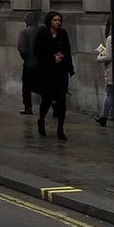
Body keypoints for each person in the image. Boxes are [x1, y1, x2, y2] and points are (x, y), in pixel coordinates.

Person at [33, 11, 75, 140]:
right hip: (47, 72)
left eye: (59, 20)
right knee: (46, 100)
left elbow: (67, 50)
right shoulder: (42, 34)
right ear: (49, 21)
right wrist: (52, 58)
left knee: (61, 101)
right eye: (55, 20)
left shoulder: (63, 34)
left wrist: (69, 66)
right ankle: (41, 120)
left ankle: (60, 128)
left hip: (61, 72)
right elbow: (37, 52)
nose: (58, 22)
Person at [17, 11, 41, 115]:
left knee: (26, 86)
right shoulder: (42, 30)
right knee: (45, 84)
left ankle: (28, 107)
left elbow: (22, 49)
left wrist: (26, 58)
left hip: (29, 63)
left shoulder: (25, 32)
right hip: (42, 63)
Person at [95, 31, 113, 127]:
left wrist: (99, 57)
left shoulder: (111, 38)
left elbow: (109, 57)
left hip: (113, 71)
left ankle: (104, 117)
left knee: (109, 94)